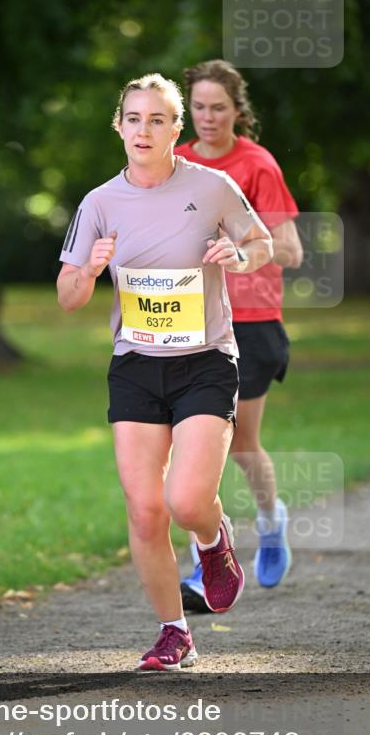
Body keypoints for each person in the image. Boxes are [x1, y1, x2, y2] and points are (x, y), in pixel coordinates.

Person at [57, 73, 273, 670]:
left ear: (176, 130)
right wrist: (91, 270)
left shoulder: (212, 186)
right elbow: (67, 295)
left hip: (204, 361)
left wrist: (239, 253)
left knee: (185, 499)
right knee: (145, 509)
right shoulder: (99, 203)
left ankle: (212, 538)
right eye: (134, 118)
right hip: (135, 364)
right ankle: (173, 629)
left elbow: (262, 244)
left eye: (158, 119)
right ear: (119, 126)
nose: (144, 129)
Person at [175, 59, 303, 611]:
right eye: (198, 107)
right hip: (186, 322)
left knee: (240, 446)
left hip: (249, 324)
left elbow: (291, 249)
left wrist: (237, 239)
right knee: (190, 450)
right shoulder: (174, 160)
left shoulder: (256, 164)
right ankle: (209, 564)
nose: (207, 118)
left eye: (218, 108)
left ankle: (271, 521)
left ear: (236, 110)